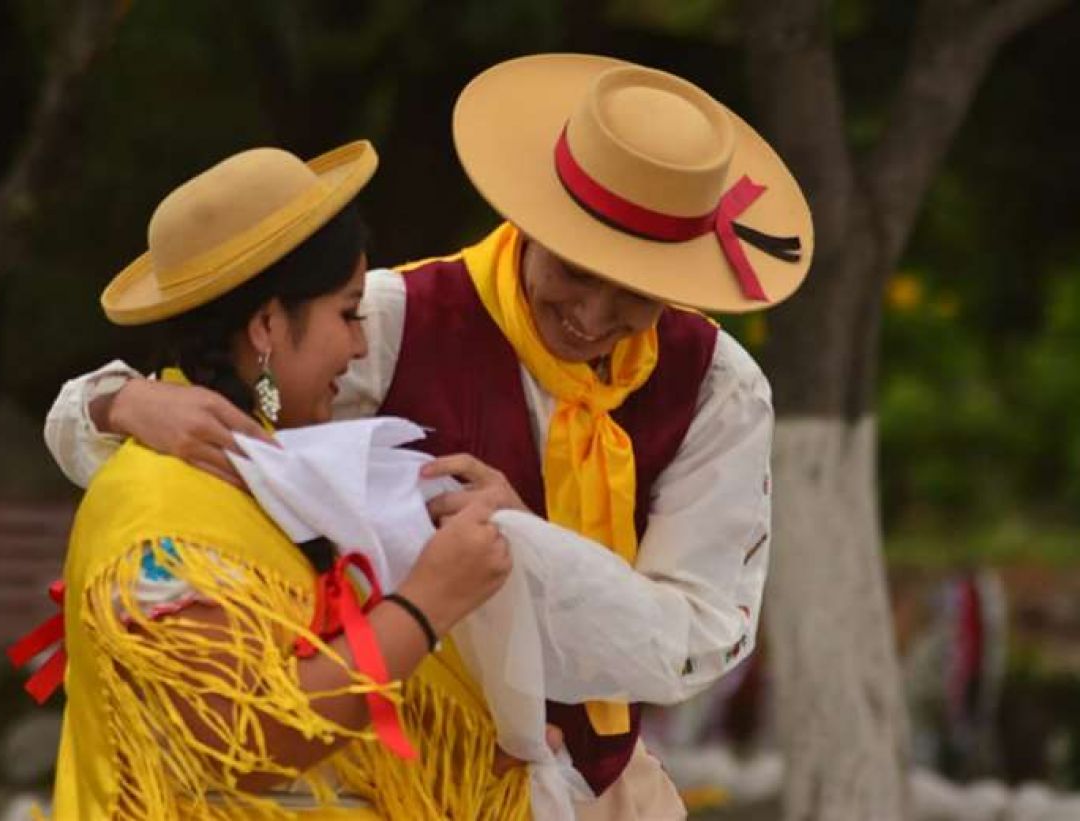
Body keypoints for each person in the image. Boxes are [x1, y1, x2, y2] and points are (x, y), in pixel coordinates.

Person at [46, 54, 813, 819]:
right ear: (533, 221)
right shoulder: (391, 318)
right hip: (402, 771)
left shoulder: (719, 387)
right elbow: (221, 400)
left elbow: (700, 637)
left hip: (597, 788)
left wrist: (524, 550)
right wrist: (120, 399)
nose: (592, 312)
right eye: (576, 271)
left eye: (636, 296)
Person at [44, 141, 536, 819]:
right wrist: (428, 602)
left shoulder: (273, 470)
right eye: (348, 312)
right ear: (268, 324)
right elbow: (244, 741)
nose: (361, 345)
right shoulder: (160, 512)